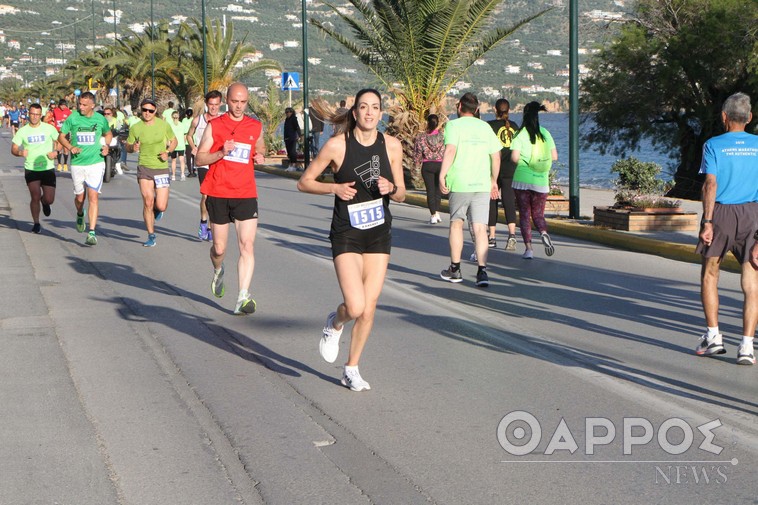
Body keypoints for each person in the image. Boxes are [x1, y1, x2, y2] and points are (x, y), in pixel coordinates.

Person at [297, 89, 405, 392]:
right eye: (363, 107)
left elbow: (402, 193)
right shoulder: (336, 146)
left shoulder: (392, 146)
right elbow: (304, 182)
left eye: (375, 108)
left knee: (369, 308)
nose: (369, 113)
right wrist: (333, 189)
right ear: (354, 113)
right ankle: (335, 323)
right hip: (347, 232)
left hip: (379, 233)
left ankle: (351, 367)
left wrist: (390, 187)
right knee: (355, 306)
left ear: (381, 114)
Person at [696, 92, 758, 366]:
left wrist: (707, 222)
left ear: (724, 117)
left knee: (710, 274)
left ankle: (714, 337)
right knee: (752, 283)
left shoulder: (713, 145)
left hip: (721, 214)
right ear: (750, 118)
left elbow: (711, 184)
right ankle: (746, 346)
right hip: (752, 214)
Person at [195, 83, 265, 315]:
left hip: (245, 193)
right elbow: (199, 159)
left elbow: (259, 144)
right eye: (235, 101)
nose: (239, 106)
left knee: (247, 245)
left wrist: (261, 154)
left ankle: (243, 297)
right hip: (218, 192)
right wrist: (221, 153)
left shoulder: (255, 125)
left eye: (243, 102)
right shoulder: (215, 126)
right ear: (227, 100)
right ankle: (218, 270)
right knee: (219, 247)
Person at [438, 92, 501, 287]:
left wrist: (442, 174)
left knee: (456, 224)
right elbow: (496, 156)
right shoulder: (485, 127)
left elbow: (450, 150)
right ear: (476, 110)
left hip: (460, 182)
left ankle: (455, 269)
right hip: (481, 184)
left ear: (459, 108)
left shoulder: (453, 125)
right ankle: (482, 271)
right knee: (480, 228)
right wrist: (493, 180)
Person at [57, 92, 112, 246]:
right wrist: (70, 147)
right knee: (80, 198)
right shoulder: (73, 118)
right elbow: (61, 136)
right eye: (79, 104)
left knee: (93, 197)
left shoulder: (100, 119)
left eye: (84, 105)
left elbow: (108, 134)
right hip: (78, 164)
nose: (81, 107)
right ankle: (80, 213)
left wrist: (106, 146)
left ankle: (92, 232)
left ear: (92, 105)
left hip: (96, 163)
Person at [126, 98, 178, 247]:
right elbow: (128, 146)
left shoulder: (164, 125)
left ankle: (157, 209)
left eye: (150, 110)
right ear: (141, 110)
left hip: (161, 168)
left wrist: (168, 152)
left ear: (155, 111)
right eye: (144, 110)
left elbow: (174, 141)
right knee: (148, 201)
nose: (147, 113)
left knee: (161, 206)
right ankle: (151, 235)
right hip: (144, 167)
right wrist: (133, 148)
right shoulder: (136, 127)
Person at [510, 101, 558, 260]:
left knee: (524, 215)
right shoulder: (545, 133)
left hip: (522, 180)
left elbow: (515, 157)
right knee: (538, 215)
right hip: (541, 181)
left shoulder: (520, 134)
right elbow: (554, 157)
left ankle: (529, 249)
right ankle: (543, 232)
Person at [11, 103, 60, 234]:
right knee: (35, 196)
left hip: (47, 167)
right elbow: (14, 148)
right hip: (31, 168)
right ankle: (36, 223)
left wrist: (56, 152)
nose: (34, 117)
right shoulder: (23, 130)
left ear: (41, 115)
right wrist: (20, 153)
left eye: (37, 114)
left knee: (49, 199)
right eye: (32, 114)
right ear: (28, 114)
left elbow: (60, 141)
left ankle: (45, 203)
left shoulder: (49, 128)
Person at [187, 90, 224, 241]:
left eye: (216, 104)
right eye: (211, 104)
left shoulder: (223, 120)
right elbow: (189, 135)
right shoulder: (198, 120)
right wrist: (193, 146)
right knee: (206, 194)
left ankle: (209, 226)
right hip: (203, 162)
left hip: (217, 160)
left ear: (220, 104)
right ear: (206, 104)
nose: (214, 108)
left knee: (215, 196)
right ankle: (203, 221)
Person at [488, 98, 520, 251]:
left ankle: (492, 237)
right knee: (508, 200)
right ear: (509, 110)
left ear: (495, 110)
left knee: (492, 201)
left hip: (494, 168)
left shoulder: (490, 126)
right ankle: (512, 234)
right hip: (510, 169)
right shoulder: (514, 127)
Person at [413, 114, 445, 224]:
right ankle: (437, 212)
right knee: (438, 190)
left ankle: (433, 214)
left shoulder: (421, 137)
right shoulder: (442, 137)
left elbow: (417, 153)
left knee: (430, 191)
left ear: (427, 122)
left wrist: (416, 164)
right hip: (440, 165)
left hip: (427, 166)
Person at [53, 99, 72, 171]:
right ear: (59, 105)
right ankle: (59, 164)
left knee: (66, 149)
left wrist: (66, 121)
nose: (63, 107)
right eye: (62, 105)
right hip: (58, 131)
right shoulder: (55, 110)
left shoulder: (68, 111)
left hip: (66, 132)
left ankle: (65, 164)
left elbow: (71, 120)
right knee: (59, 148)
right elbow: (53, 118)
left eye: (64, 105)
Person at [169, 110, 187, 181]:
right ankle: (182, 174)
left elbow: (168, 136)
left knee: (174, 160)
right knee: (182, 160)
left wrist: (168, 144)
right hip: (181, 145)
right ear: (178, 117)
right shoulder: (182, 124)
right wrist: (184, 143)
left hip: (173, 145)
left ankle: (173, 175)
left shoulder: (170, 124)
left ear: (171, 117)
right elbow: (184, 135)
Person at [181, 108, 194, 177]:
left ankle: (190, 171)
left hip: (187, 140)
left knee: (188, 157)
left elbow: (183, 131)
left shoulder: (184, 120)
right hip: (194, 139)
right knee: (194, 155)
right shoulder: (194, 120)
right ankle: (194, 169)